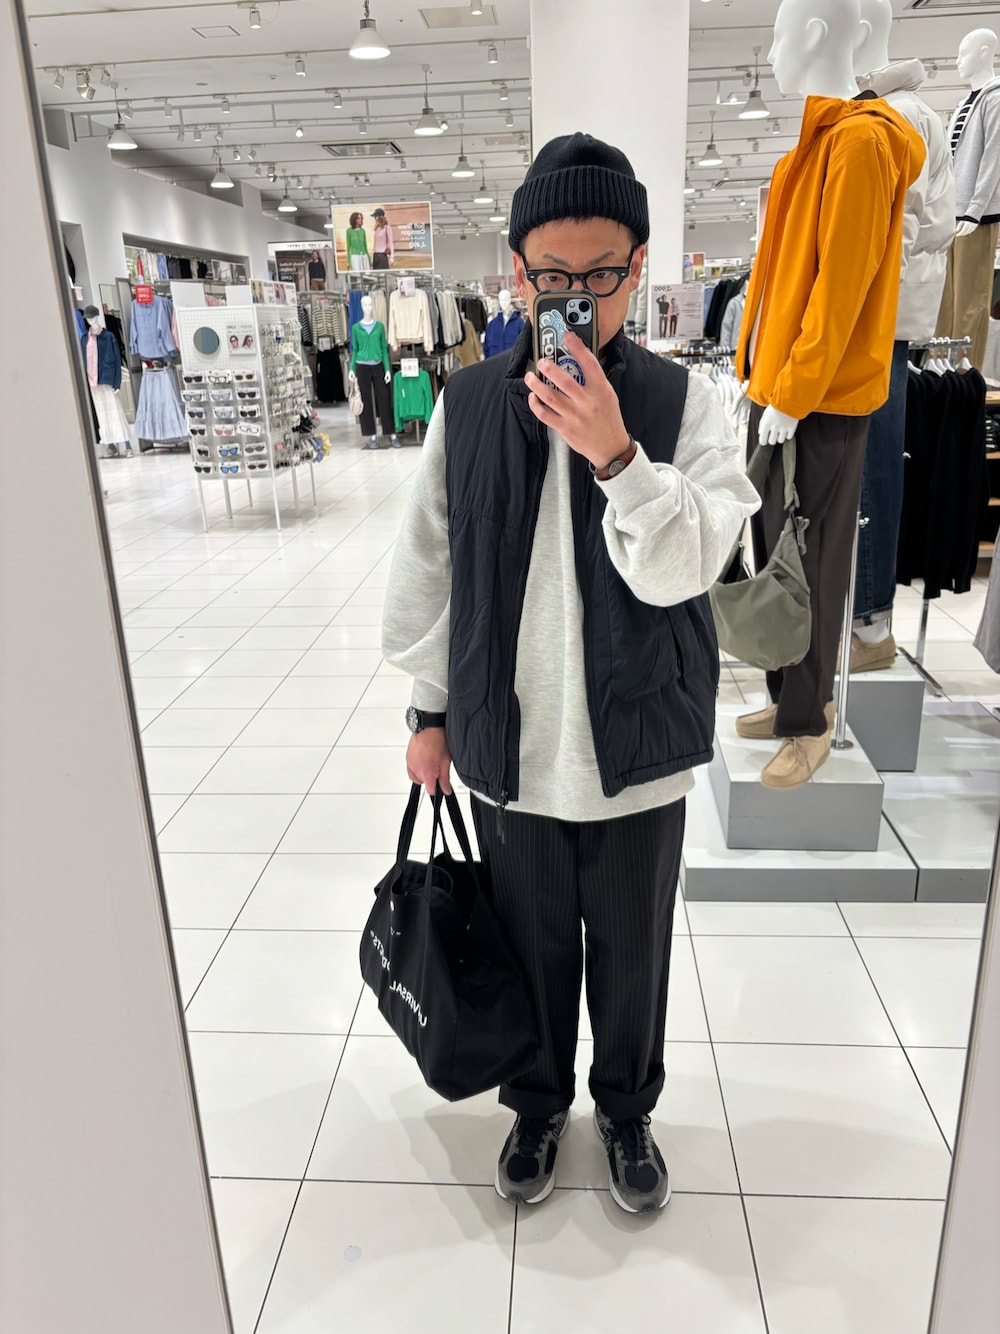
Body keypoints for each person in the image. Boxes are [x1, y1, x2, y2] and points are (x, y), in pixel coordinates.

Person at [382, 133, 759, 1217]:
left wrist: (616, 456)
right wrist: (426, 713)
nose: (578, 298)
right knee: (531, 945)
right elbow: (431, 570)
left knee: (633, 954)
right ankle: (538, 1104)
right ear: (517, 272)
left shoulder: (684, 403)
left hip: (637, 746)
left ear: (637, 268)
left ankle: (627, 1110)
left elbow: (693, 565)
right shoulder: (465, 404)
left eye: (602, 275)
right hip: (513, 744)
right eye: (554, 276)